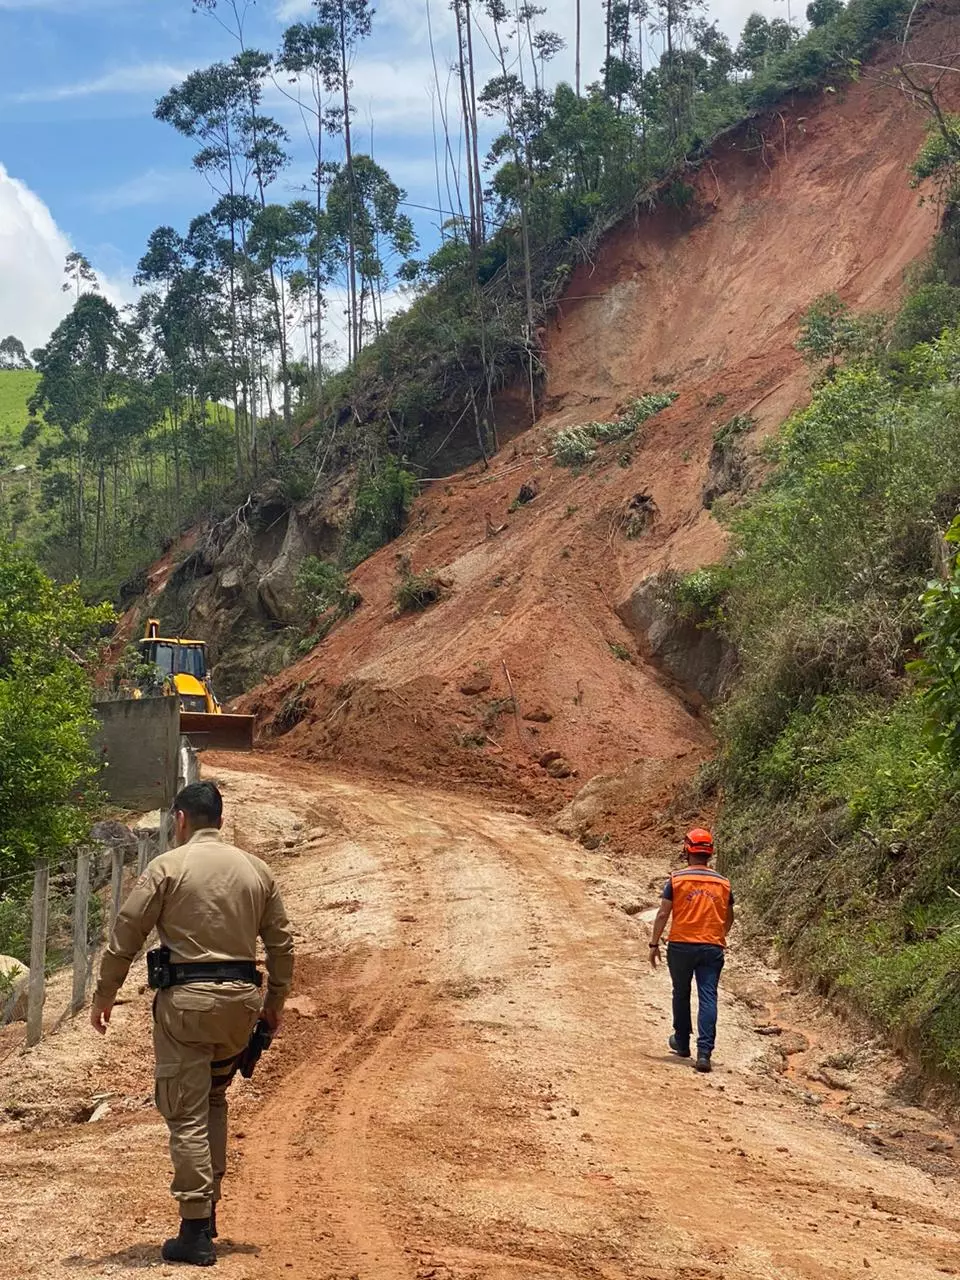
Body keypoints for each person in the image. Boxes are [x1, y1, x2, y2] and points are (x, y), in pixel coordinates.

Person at [90, 781, 295, 1267]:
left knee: (185, 1113)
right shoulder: (257, 870)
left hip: (186, 1004)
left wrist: (105, 993)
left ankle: (195, 1230)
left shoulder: (167, 867)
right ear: (219, 820)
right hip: (241, 1004)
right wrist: (275, 1003)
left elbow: (126, 933)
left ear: (180, 820)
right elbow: (282, 944)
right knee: (215, 1097)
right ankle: (211, 1209)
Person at [648, 827, 734, 1074]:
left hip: (681, 945)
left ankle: (682, 1041)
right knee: (708, 996)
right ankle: (704, 1053)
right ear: (710, 853)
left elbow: (664, 913)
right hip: (712, 946)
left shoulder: (676, 880)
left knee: (681, 991)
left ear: (687, 850)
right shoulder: (723, 883)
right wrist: (718, 936)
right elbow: (728, 918)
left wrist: (654, 944)